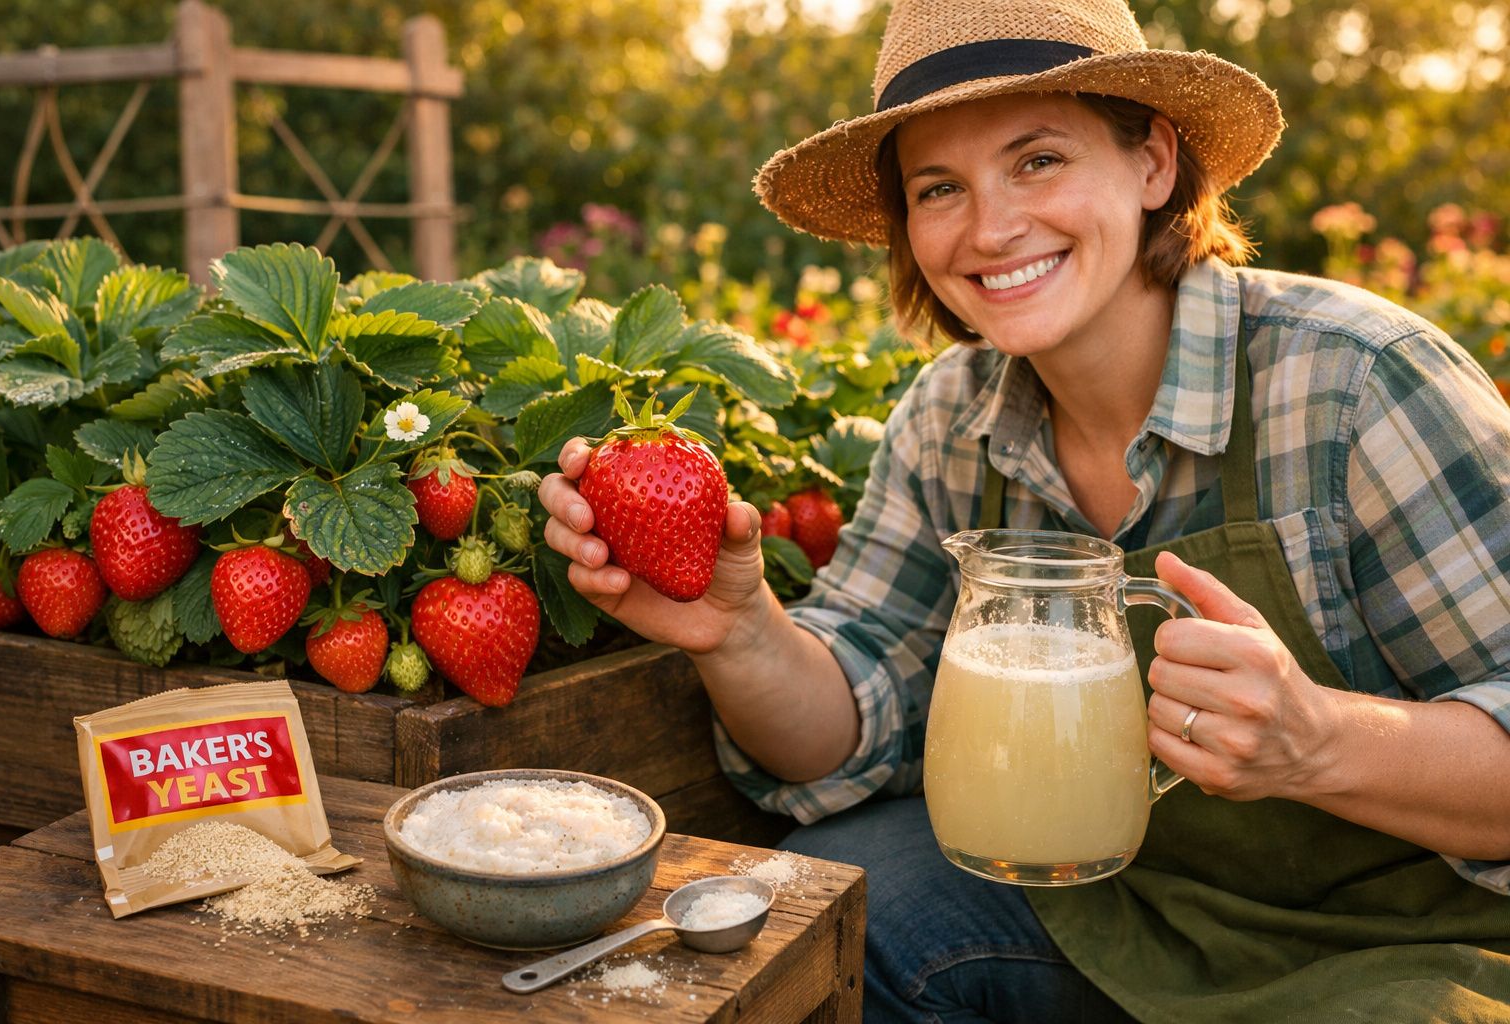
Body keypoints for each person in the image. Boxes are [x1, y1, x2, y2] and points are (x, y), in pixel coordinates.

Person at [539, 0, 1510, 1019]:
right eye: (939, 187)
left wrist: (1320, 738)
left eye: (1038, 159)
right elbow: (845, 723)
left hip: (1427, 944)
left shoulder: (1353, 383)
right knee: (838, 891)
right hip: (1125, 912)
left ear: (1153, 164)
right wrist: (737, 630)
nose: (991, 227)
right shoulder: (950, 421)